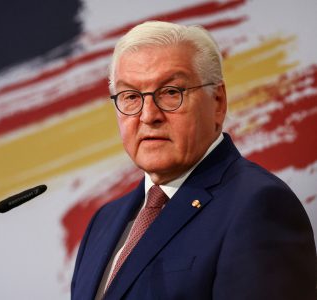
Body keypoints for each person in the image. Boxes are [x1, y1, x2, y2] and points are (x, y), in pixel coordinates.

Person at [70, 21, 316, 300]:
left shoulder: (258, 205)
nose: (148, 115)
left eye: (171, 92)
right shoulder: (104, 221)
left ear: (218, 101)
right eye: (130, 96)